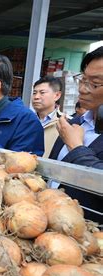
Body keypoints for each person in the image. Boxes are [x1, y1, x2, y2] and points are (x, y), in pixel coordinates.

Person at [49, 47, 103, 219]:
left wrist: (76, 147)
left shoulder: (71, 133)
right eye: (82, 79)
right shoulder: (73, 124)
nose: (83, 89)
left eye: (94, 83)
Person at [32, 75, 67, 158]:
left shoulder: (66, 123)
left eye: (42, 92)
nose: (36, 97)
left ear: (57, 95)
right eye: (34, 93)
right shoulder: (25, 120)